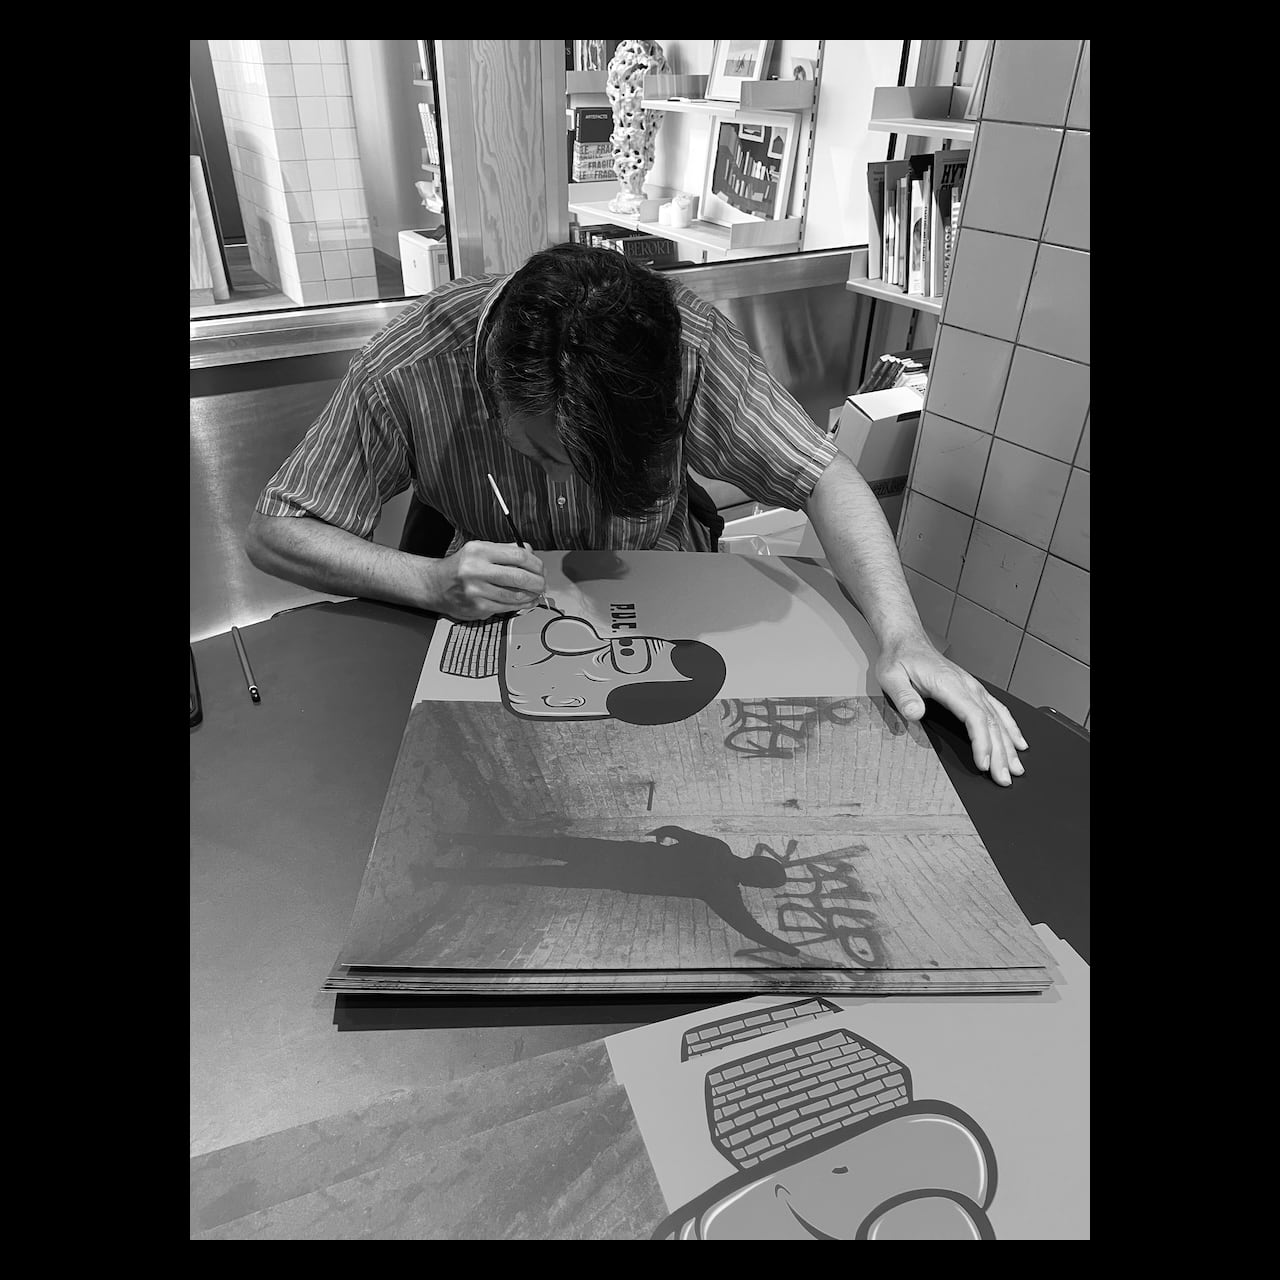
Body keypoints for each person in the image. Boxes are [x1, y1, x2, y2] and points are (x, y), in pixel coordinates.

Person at [245, 242, 1027, 784]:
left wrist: (903, 635)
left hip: (672, 598)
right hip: (496, 621)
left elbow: (823, 475)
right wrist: (426, 581)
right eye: (549, 455)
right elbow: (277, 529)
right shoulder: (411, 366)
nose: (573, 481)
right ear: (492, 390)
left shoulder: (687, 344)